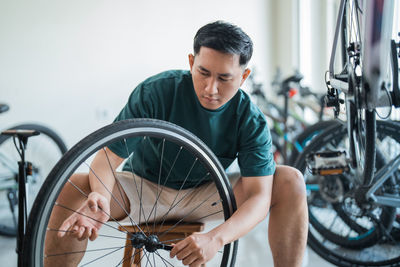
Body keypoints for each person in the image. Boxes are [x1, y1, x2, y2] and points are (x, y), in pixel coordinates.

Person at [45, 20, 308, 267]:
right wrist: (99, 199)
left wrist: (216, 239)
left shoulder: (250, 118)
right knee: (72, 187)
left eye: (224, 78)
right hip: (143, 189)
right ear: (191, 62)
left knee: (290, 180)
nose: (210, 88)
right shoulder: (157, 91)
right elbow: (108, 155)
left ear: (244, 76)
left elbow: (259, 197)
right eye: (203, 72)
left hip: (209, 194)